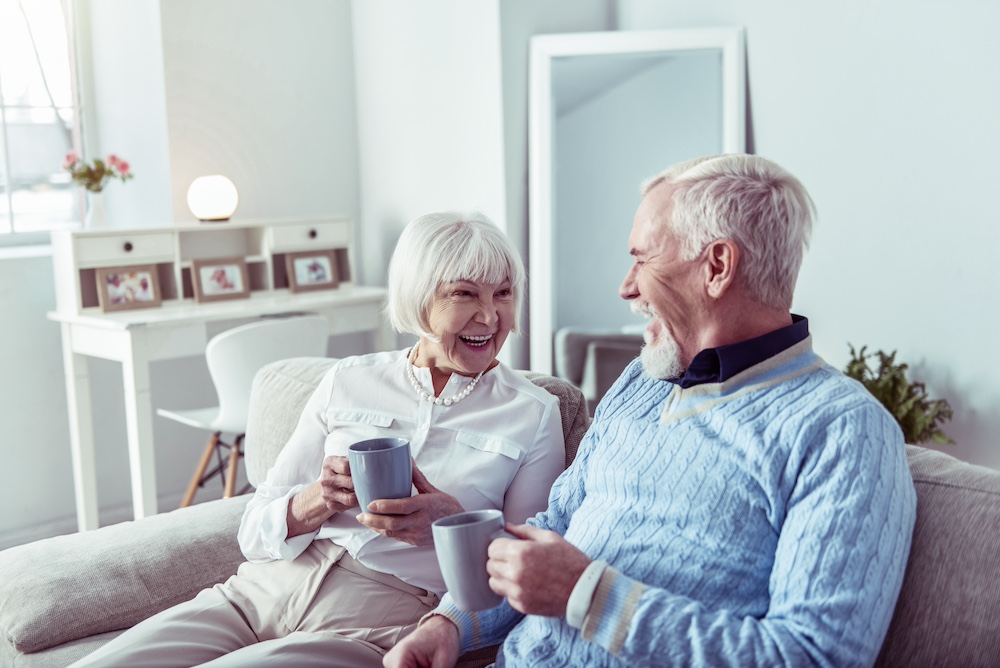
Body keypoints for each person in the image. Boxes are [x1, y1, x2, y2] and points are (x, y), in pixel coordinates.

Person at [386, 154, 917, 667]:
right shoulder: (643, 380)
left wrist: (587, 595)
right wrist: (452, 624)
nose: (626, 286)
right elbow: (555, 530)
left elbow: (815, 656)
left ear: (717, 266)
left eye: (642, 258)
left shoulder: (844, 428)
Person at [70, 211, 566, 668]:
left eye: (503, 293)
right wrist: (315, 500)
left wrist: (451, 522)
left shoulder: (532, 413)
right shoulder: (349, 380)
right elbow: (253, 527)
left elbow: (530, 569)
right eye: (465, 294)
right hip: (260, 591)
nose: (490, 316)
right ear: (419, 297)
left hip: (376, 618)